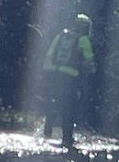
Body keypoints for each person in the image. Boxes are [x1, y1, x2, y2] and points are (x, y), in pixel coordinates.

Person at [42, 13, 97, 148]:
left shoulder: (61, 36)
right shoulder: (83, 39)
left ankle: (46, 134)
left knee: (53, 104)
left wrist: (48, 73)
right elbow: (89, 60)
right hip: (70, 77)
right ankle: (67, 138)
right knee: (69, 108)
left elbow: (49, 54)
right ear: (85, 28)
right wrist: (91, 72)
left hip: (53, 74)